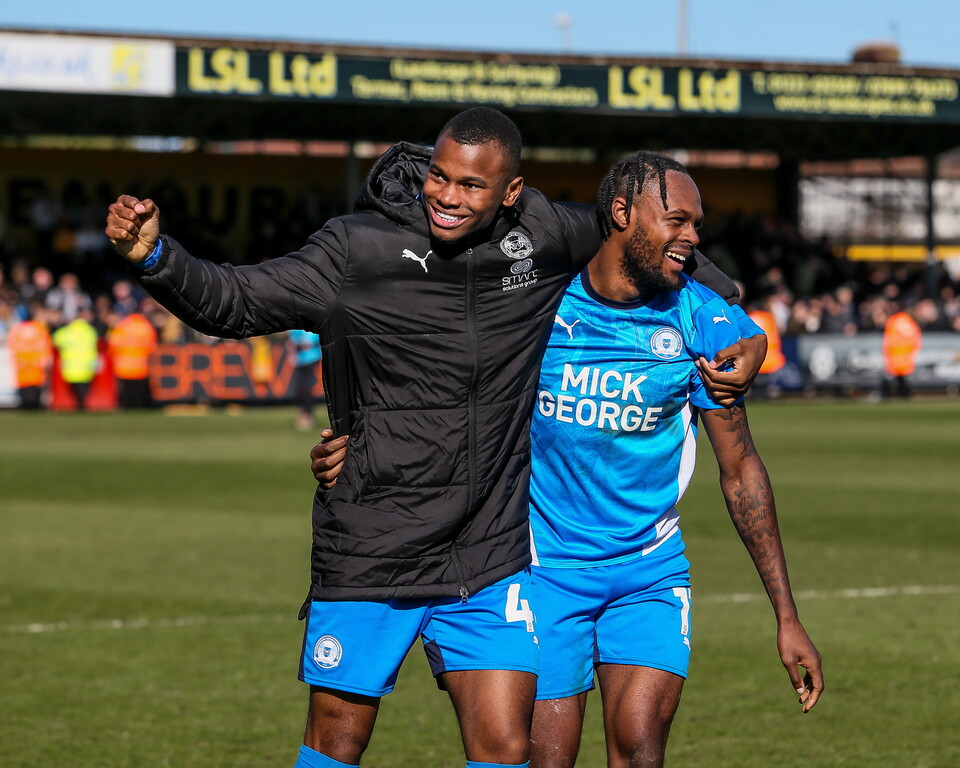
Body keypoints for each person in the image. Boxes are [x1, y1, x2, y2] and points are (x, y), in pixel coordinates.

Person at [105, 107, 765, 768]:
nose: (449, 197)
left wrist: (738, 316)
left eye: (472, 186)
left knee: (507, 745)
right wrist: (157, 257)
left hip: (485, 553)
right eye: (441, 179)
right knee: (337, 742)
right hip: (372, 543)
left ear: (510, 193)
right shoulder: (354, 250)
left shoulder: (539, 234)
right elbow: (236, 300)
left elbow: (647, 238)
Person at [313, 153, 823, 768]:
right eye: (677, 220)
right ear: (620, 213)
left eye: (697, 224)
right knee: (545, 759)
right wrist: (361, 448)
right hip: (541, 571)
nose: (692, 237)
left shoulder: (703, 321)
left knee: (639, 750)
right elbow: (445, 389)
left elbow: (741, 470)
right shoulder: (536, 304)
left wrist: (787, 615)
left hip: (649, 572)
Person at [107, 310, 158, 408]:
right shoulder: (147, 327)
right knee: (138, 390)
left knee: (126, 389)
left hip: (123, 365)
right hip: (141, 365)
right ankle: (138, 406)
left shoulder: (122, 326)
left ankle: (126, 406)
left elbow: (113, 345)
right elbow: (152, 348)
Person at [51, 307, 99, 411]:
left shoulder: (66, 331)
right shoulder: (90, 330)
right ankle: (82, 404)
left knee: (75, 389)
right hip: (87, 366)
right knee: (84, 388)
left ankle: (79, 404)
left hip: (71, 366)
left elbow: (55, 340)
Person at [7, 303, 53, 409]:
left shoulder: (17, 329)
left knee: (24, 386)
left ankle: (25, 405)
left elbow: (12, 344)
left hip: (22, 363)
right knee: (35, 387)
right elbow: (45, 344)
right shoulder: (40, 328)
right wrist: (45, 358)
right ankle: (35, 405)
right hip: (36, 363)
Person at [882, 305, 922, 399]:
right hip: (904, 354)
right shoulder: (909, 322)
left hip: (894, 353)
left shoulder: (894, 320)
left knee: (895, 376)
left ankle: (891, 393)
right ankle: (900, 393)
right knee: (900, 377)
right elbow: (915, 337)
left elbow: (888, 338)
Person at [287, 328, 323, 430]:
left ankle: (307, 414)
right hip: (299, 359)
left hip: (311, 357)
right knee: (300, 388)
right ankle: (304, 412)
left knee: (307, 387)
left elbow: (310, 340)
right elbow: (292, 338)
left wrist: (305, 342)